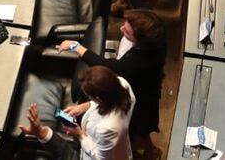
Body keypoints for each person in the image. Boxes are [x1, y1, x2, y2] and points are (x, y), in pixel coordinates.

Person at [56, 10, 167, 160]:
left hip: (143, 96)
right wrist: (84, 106)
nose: (121, 29)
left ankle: (150, 153)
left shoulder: (108, 127)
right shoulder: (157, 39)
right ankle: (150, 151)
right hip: (146, 87)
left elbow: (105, 65)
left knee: (139, 129)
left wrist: (76, 46)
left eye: (127, 31)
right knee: (139, 131)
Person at [20, 67, 136, 160]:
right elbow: (107, 99)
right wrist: (84, 106)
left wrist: (79, 134)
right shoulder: (122, 84)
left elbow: (100, 157)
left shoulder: (107, 128)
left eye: (89, 97)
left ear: (98, 98)